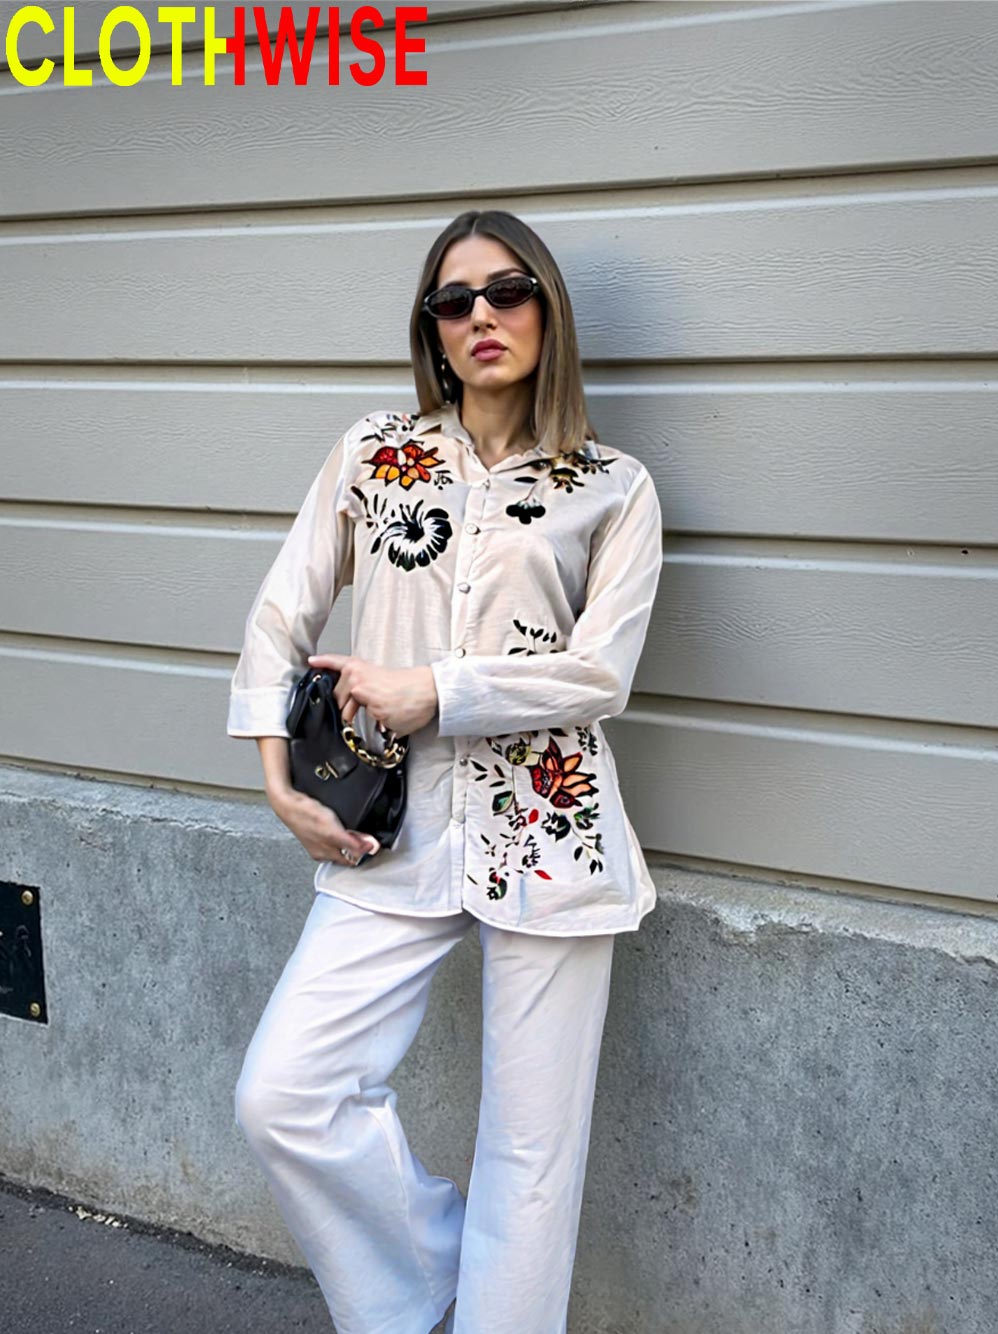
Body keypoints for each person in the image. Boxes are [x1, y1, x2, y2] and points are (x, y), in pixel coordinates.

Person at [226, 209, 664, 1333]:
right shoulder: (376, 452)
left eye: (507, 291)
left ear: (547, 310)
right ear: (431, 327)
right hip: (391, 826)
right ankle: (423, 1285)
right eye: (453, 300)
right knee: (285, 1093)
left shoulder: (612, 485)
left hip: (550, 833)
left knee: (530, 1153)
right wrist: (279, 782)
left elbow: (599, 672)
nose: (481, 316)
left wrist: (437, 689)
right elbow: (281, 613)